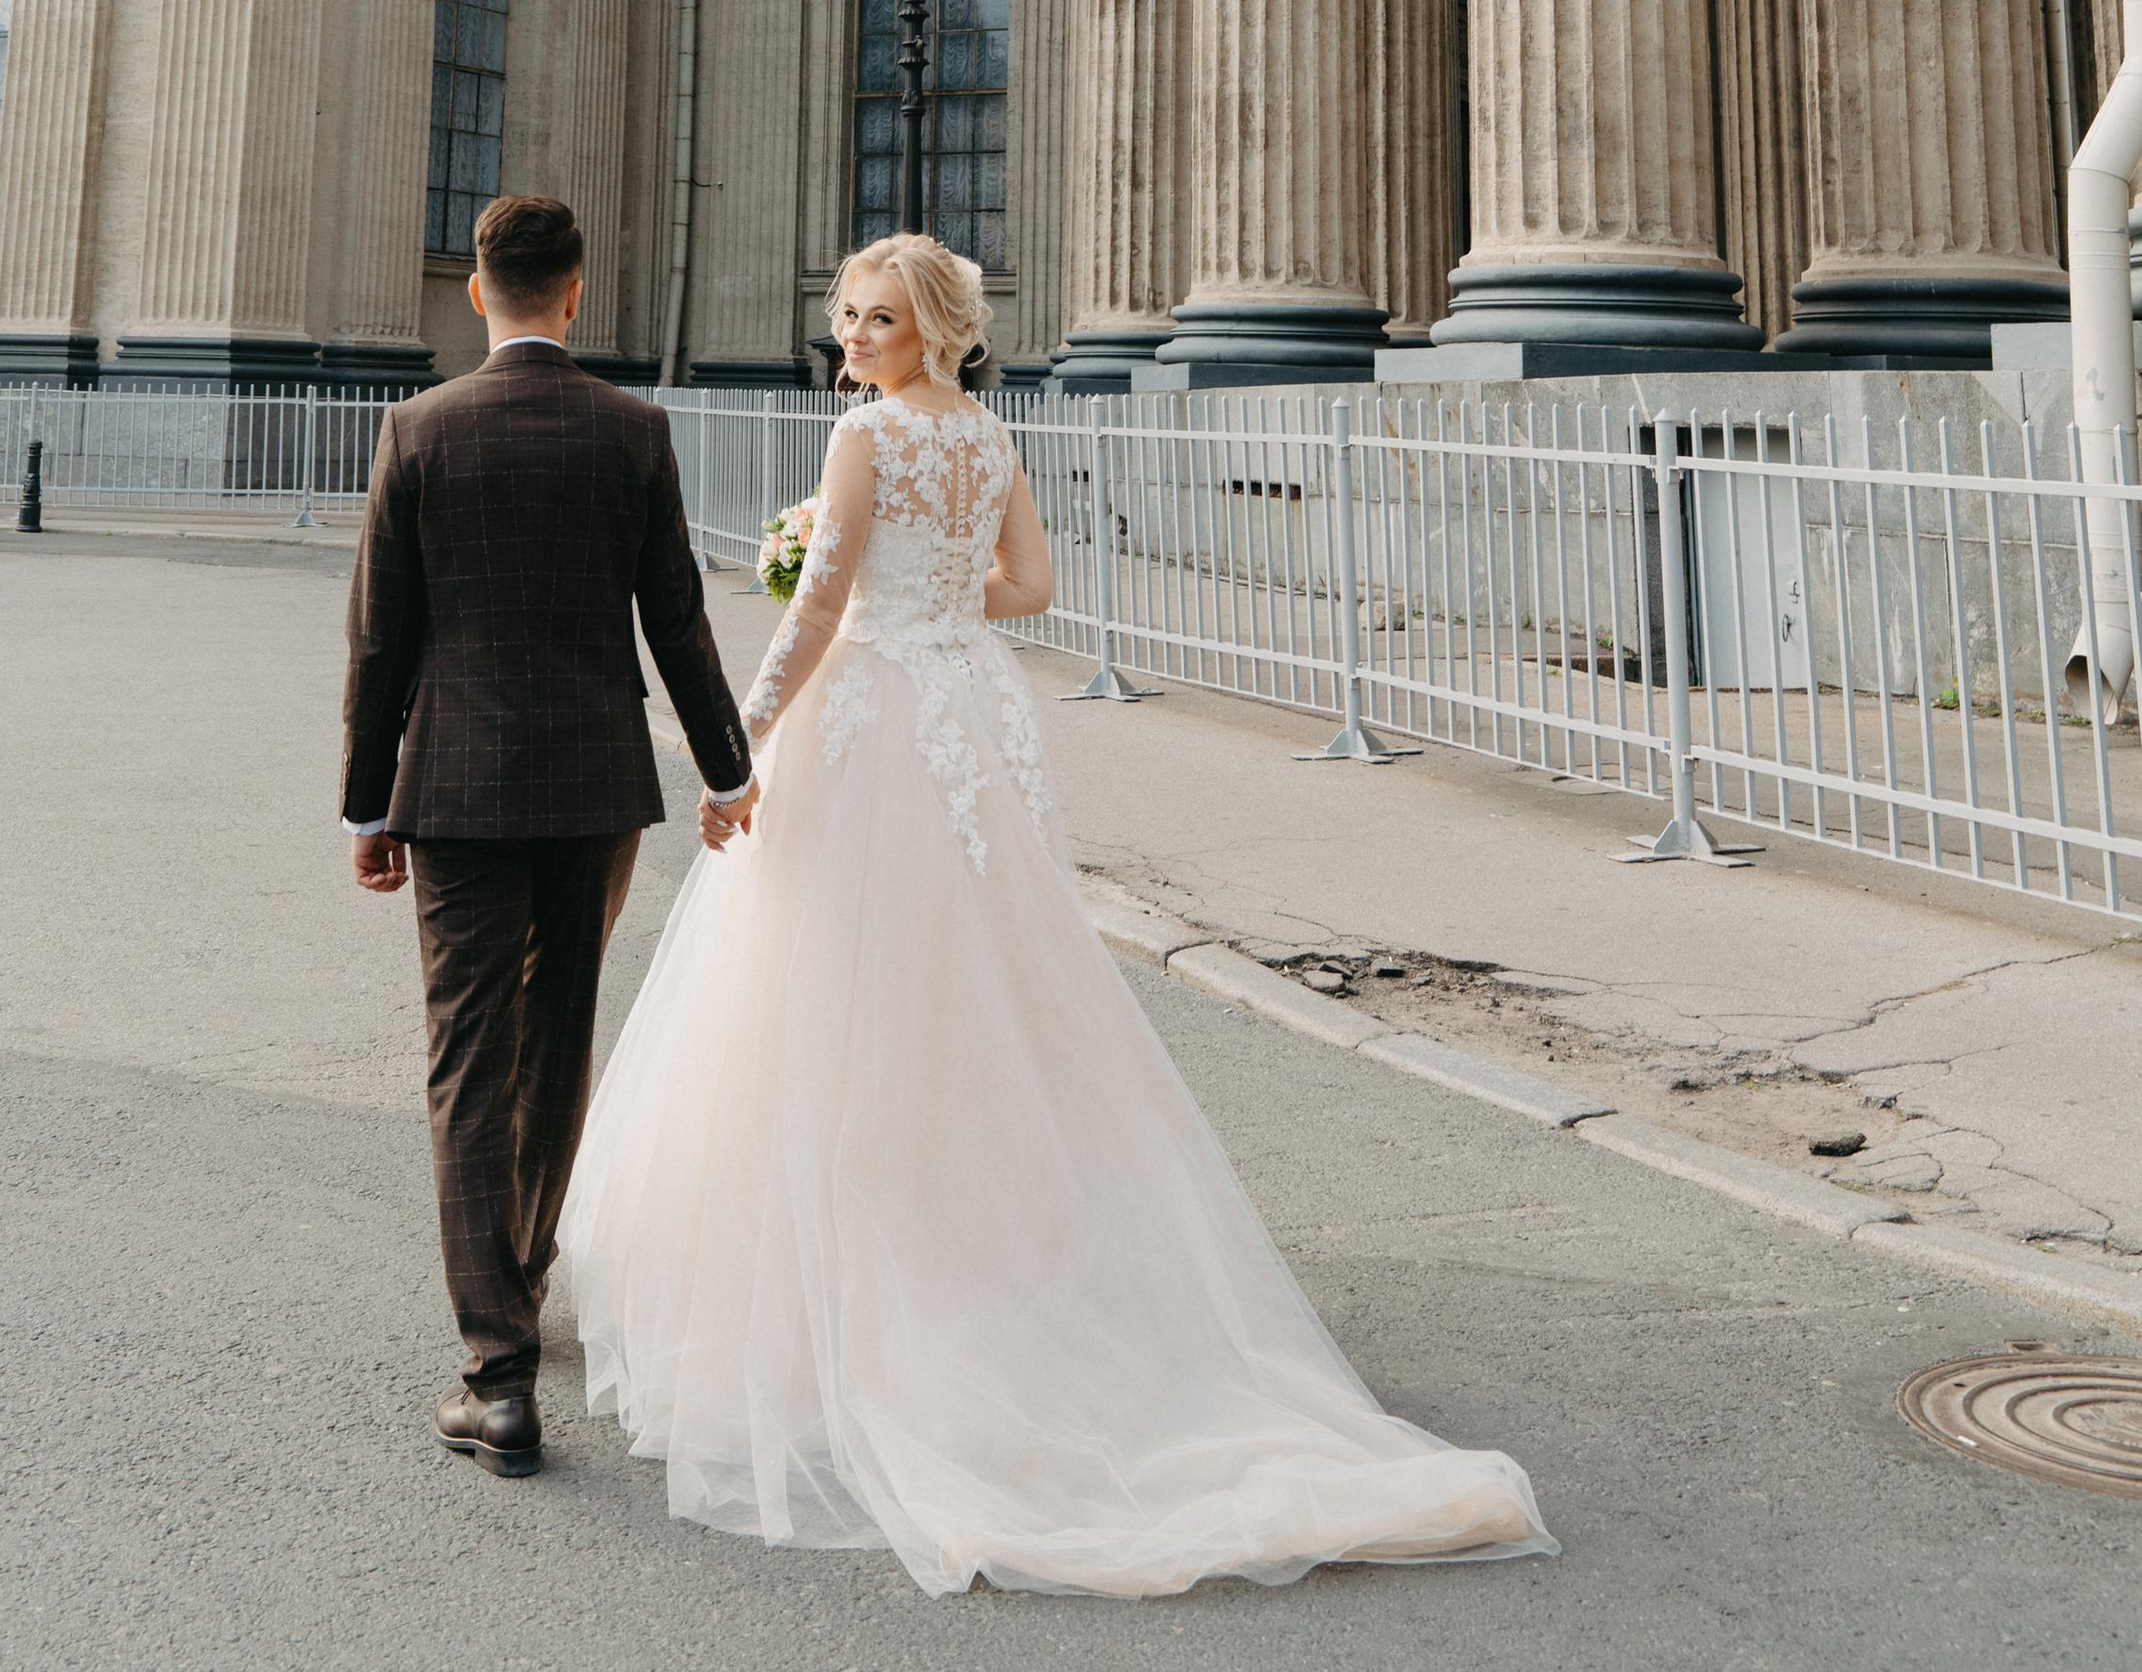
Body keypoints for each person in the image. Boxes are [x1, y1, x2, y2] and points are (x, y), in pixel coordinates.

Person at [562, 230, 1555, 1597]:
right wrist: (927, 591)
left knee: (822, 996)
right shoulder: (989, 437)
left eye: (876, 321)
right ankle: (1005, 1262)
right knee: (980, 994)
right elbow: (1033, 590)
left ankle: (836, 1307)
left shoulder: (865, 437)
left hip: (874, 722)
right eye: (846, 317)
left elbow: (822, 607)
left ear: (931, 329)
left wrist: (737, 747)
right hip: (969, 707)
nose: (849, 338)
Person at [341, 191, 753, 1482]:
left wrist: (368, 799)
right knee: (559, 1032)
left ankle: (497, 1372)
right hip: (594, 785)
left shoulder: (418, 428)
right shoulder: (631, 429)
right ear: (575, 290)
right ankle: (521, 1266)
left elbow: (379, 637)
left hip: (455, 787)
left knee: (468, 1058)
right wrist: (731, 768)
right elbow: (677, 622)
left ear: (479, 291)